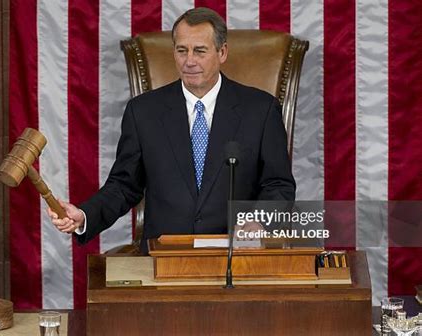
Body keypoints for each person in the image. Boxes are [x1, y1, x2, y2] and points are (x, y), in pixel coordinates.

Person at [48, 7, 296, 253]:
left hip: (236, 256)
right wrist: (84, 215)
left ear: (222, 52)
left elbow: (279, 184)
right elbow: (124, 186)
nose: (189, 61)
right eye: (181, 50)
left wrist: (259, 222)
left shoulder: (260, 110)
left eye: (200, 51)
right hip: (163, 258)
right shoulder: (143, 112)